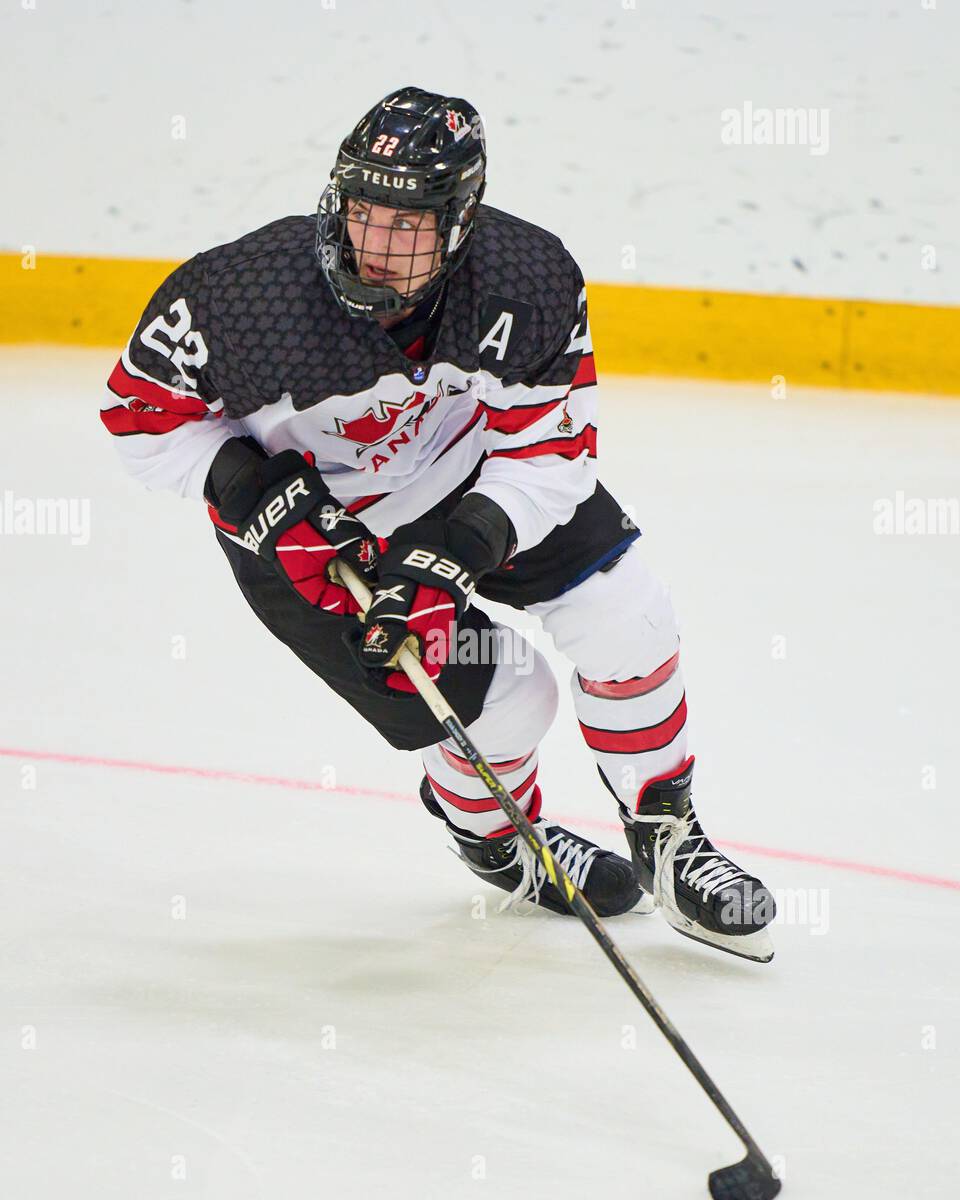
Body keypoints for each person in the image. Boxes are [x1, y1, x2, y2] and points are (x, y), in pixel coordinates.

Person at [101, 87, 775, 961]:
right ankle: (500, 841)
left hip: (465, 482)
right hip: (316, 539)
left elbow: (549, 450)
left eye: (408, 224)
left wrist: (458, 554)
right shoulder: (240, 297)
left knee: (628, 616)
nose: (374, 246)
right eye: (363, 212)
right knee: (508, 698)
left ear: (460, 225)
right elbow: (139, 416)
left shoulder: (526, 280)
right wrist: (248, 489)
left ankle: (667, 832)